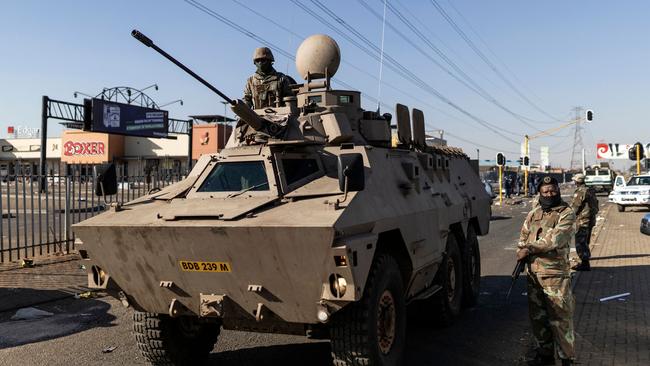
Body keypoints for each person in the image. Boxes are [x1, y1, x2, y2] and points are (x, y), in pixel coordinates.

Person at [517, 176, 576, 366]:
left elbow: (555, 239)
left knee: (560, 319)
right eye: (545, 192)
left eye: (552, 191)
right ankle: (545, 354)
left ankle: (567, 359)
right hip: (534, 275)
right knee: (538, 318)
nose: (549, 194)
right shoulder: (533, 214)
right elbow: (523, 237)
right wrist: (522, 249)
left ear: (558, 190)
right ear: (540, 194)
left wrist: (529, 249)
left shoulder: (566, 213)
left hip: (555, 276)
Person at [570, 173, 599, 271]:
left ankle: (585, 263)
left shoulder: (580, 191)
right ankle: (584, 260)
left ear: (577, 181)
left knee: (580, 241)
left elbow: (575, 207)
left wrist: (567, 217)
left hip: (583, 220)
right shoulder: (589, 190)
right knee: (585, 241)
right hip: (590, 219)